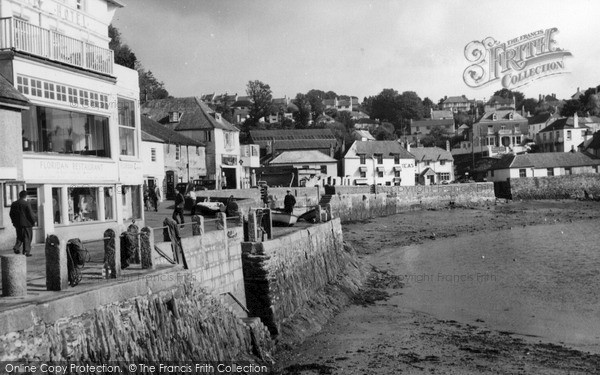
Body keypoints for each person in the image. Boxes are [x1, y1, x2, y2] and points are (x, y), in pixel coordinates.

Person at [10, 190, 37, 257]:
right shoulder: (26, 203)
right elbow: (30, 214)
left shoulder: (14, 203)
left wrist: (14, 222)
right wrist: (34, 221)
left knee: (19, 236)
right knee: (27, 237)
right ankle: (26, 251)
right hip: (27, 224)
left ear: (20, 196)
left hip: (18, 224)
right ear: (26, 196)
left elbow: (11, 214)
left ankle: (16, 247)